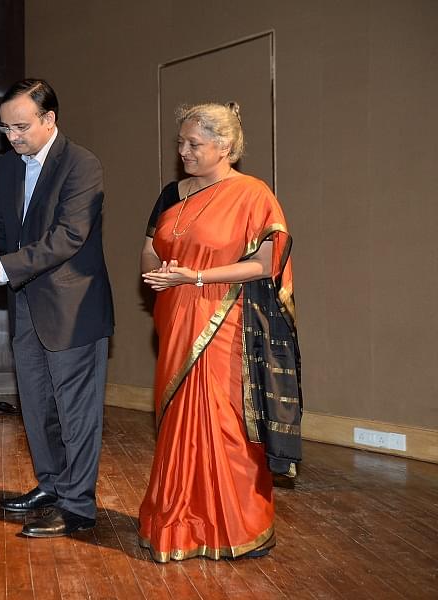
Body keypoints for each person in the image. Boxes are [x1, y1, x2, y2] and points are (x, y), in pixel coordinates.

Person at [137, 102, 302, 562]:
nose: (184, 151)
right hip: (176, 317)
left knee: (224, 423)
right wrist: (160, 271)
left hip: (226, 323)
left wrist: (196, 277)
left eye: (195, 144)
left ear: (224, 146)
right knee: (178, 422)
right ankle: (178, 521)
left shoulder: (252, 194)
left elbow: (267, 263)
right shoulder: (171, 194)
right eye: (181, 143)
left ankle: (236, 525)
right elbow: (149, 249)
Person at [0, 79, 114, 538]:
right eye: (5, 128)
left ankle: (77, 506)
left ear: (49, 120)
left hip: (73, 307)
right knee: (37, 403)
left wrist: (1, 268)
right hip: (25, 303)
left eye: (21, 127)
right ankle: (51, 486)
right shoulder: (9, 166)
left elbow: (68, 237)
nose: (12, 137)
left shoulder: (82, 164)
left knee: (75, 412)